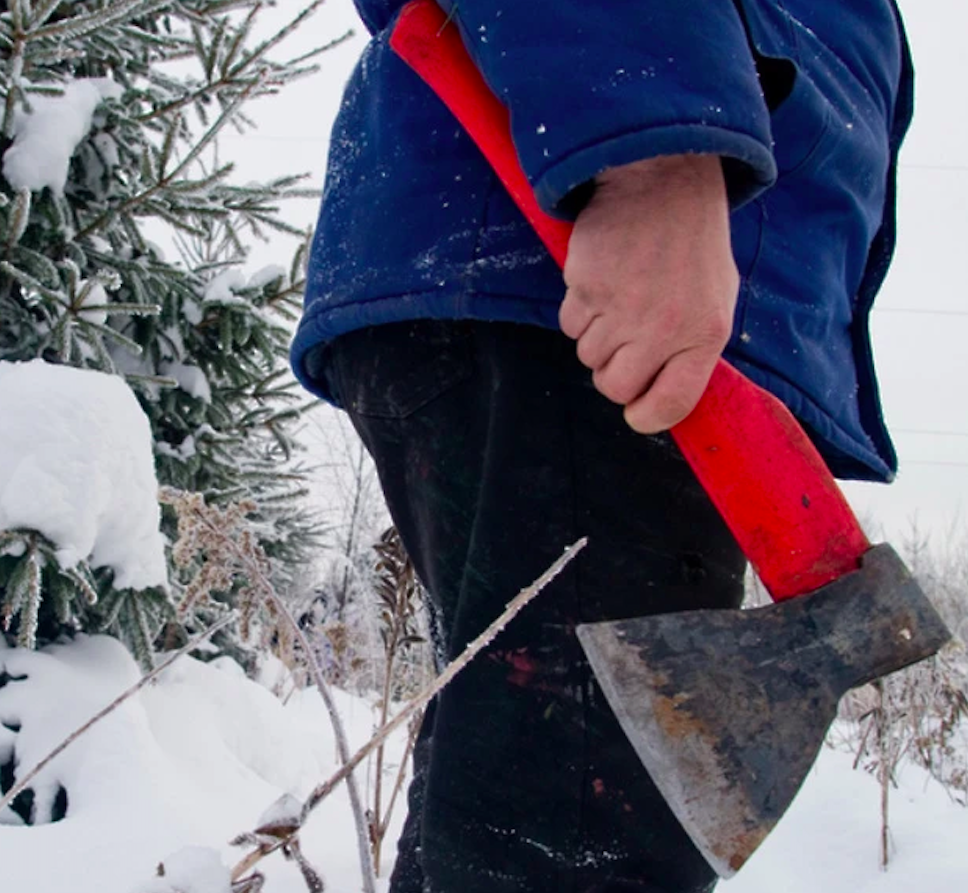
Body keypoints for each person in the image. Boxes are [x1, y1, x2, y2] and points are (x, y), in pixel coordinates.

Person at [290, 2, 913, 891]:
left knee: (525, 817)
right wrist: (650, 148)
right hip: (574, 271)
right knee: (571, 847)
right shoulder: (646, 161)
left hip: (556, 284)